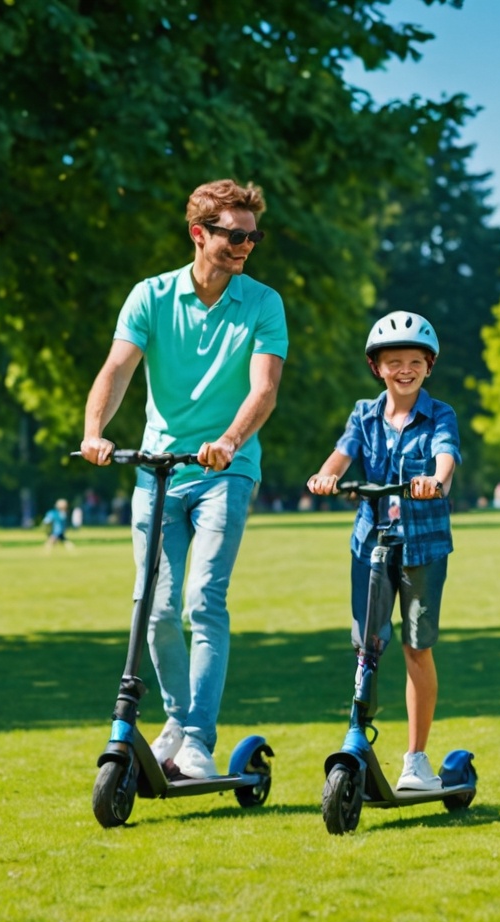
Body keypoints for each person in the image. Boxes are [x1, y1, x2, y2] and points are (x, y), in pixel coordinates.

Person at [80, 178, 287, 780]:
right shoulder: (150, 296)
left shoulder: (263, 303)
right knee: (156, 606)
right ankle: (176, 717)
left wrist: (228, 441)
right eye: (234, 234)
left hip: (226, 470)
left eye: (253, 236)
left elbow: (264, 388)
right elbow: (117, 369)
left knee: (204, 599)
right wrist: (96, 432)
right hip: (158, 470)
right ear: (199, 234)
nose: (246, 245)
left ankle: (198, 738)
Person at [306, 311, 461, 792]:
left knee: (417, 647)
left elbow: (446, 456)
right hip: (370, 542)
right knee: (366, 646)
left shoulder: (440, 415)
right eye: (394, 361)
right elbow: (343, 450)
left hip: (423, 546)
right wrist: (327, 473)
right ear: (377, 367)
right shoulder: (363, 414)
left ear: (428, 367)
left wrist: (436, 481)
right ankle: (358, 735)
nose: (405, 369)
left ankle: (416, 758)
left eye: (415, 361)